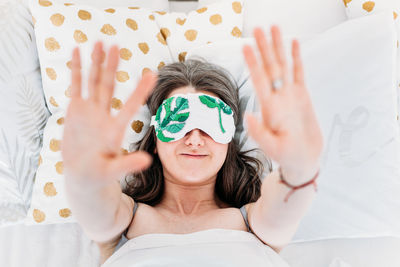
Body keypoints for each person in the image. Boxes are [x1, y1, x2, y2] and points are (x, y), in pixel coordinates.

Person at [62, 25, 323, 266]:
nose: (195, 139)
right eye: (177, 122)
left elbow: (285, 210)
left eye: (211, 125)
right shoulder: (124, 220)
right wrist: (84, 177)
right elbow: (96, 209)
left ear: (229, 141)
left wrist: (299, 169)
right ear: (155, 139)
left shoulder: (254, 223)